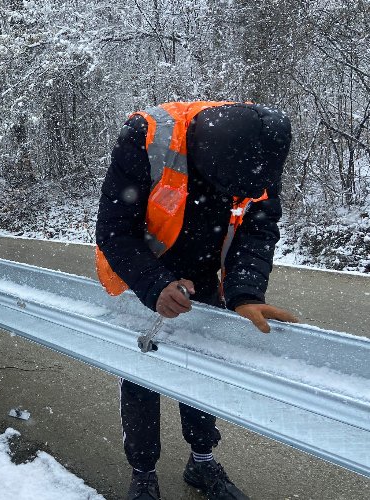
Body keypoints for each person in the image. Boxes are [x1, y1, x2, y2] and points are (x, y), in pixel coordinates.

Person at [95, 101, 298, 500]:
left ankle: (201, 463)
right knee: (142, 374)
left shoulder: (258, 151)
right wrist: (156, 286)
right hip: (143, 272)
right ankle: (143, 472)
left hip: (202, 274)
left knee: (199, 370)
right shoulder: (146, 137)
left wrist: (244, 293)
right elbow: (114, 229)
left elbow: (259, 226)